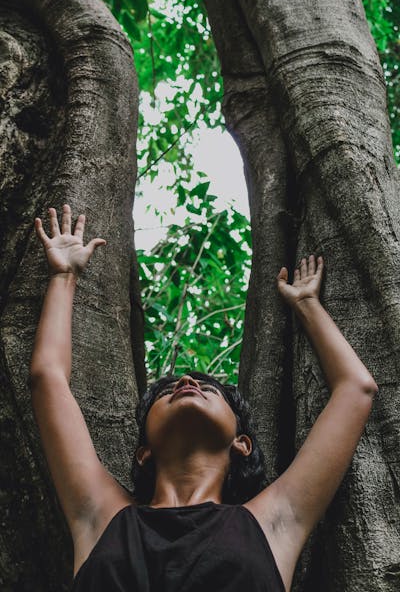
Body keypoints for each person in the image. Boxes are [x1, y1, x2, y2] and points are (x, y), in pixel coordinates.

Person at [30, 204, 378, 592]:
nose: (187, 383)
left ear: (241, 443)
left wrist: (307, 305)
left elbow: (356, 389)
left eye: (208, 387)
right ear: (143, 451)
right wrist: (64, 275)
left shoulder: (274, 521)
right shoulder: (100, 515)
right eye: (168, 390)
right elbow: (48, 380)